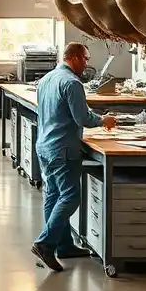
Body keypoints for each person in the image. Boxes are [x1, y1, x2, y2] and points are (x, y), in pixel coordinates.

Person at [31, 42, 116, 273]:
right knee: (70, 197)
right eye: (86, 59)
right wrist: (103, 120)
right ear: (76, 57)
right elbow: (82, 118)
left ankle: (64, 245)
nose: (86, 64)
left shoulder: (47, 79)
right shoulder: (72, 83)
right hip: (62, 148)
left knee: (53, 195)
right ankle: (45, 243)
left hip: (45, 145)